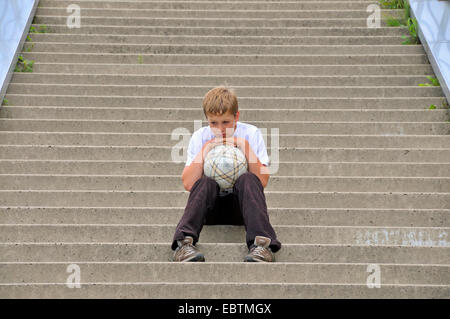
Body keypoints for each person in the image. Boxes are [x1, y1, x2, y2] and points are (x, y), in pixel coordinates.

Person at [171, 86, 282, 262]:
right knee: (205, 182)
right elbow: (188, 183)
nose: (220, 129)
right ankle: (183, 244)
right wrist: (206, 148)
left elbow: (262, 180)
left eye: (226, 122)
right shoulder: (200, 136)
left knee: (248, 178)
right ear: (207, 120)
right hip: (209, 209)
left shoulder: (251, 133)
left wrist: (244, 146)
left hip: (243, 209)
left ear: (236, 117)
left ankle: (262, 246)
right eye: (213, 123)